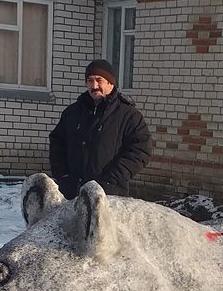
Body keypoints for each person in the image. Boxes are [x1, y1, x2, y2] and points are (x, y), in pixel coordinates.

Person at [48, 59, 152, 200]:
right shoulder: (72, 113)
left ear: (111, 83)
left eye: (99, 80)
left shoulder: (129, 116)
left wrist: (112, 179)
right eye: (90, 80)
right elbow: (57, 144)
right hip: (72, 195)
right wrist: (63, 176)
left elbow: (141, 150)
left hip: (110, 197)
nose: (94, 85)